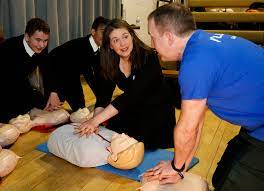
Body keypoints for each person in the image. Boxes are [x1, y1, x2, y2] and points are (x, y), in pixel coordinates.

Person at [143, 3, 264, 191]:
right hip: (256, 125)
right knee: (221, 177)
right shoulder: (202, 43)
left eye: (152, 37)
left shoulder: (195, 63)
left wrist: (175, 166)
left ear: (168, 36)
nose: (152, 45)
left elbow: (186, 130)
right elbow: (195, 122)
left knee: (232, 185)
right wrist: (180, 167)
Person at [75, 18, 176, 150]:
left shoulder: (149, 57)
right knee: (111, 134)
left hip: (156, 111)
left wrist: (95, 121)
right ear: (110, 45)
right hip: (132, 106)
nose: (123, 44)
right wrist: (96, 122)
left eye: (125, 37)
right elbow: (103, 97)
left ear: (132, 36)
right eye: (116, 40)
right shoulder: (108, 62)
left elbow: (132, 95)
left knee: (139, 146)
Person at [45, 16, 110, 111]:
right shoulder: (81, 47)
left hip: (71, 75)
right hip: (55, 72)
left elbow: (96, 77)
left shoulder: (98, 49)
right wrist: (53, 91)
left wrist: (103, 102)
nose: (106, 36)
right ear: (93, 32)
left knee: (80, 110)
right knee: (52, 109)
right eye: (103, 31)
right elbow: (89, 76)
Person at [0, 18, 51, 123]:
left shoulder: (41, 47)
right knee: (13, 115)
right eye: (38, 40)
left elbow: (47, 71)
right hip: (5, 86)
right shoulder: (9, 50)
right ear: (27, 37)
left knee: (45, 100)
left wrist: (52, 94)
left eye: (45, 41)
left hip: (20, 82)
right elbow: (13, 84)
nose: (42, 45)